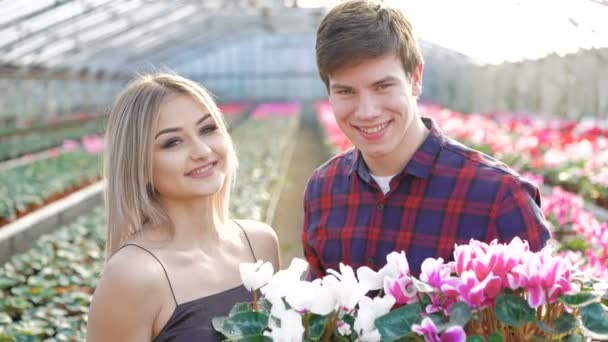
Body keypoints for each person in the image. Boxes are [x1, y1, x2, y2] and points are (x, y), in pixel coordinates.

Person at [302, 0, 551, 279]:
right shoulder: (322, 189)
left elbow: (542, 316)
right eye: (346, 92)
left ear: (416, 77)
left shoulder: (499, 197)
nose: (367, 111)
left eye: (383, 86)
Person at [87, 74, 280, 341]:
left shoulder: (260, 243)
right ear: (138, 166)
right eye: (172, 142)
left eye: (208, 129)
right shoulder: (133, 275)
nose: (201, 151)